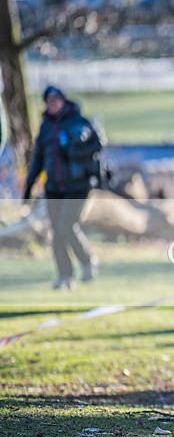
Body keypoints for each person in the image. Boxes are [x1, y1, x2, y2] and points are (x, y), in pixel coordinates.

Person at [23, 86, 103, 290]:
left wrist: (73, 148)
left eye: (55, 100)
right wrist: (29, 185)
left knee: (66, 226)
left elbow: (96, 144)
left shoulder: (78, 121)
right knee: (56, 232)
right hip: (53, 188)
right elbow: (38, 159)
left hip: (77, 185)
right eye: (48, 101)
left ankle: (87, 261)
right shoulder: (46, 127)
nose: (52, 104)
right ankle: (65, 277)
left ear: (62, 101)